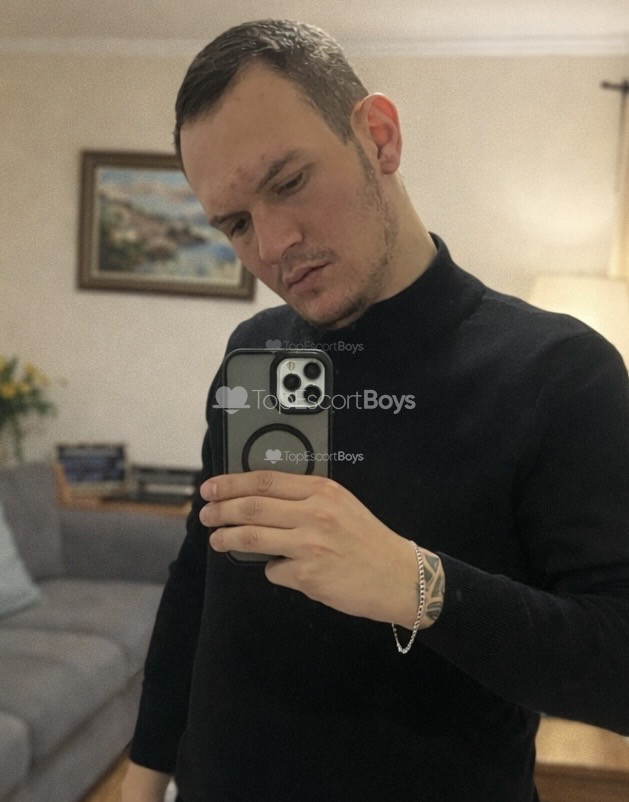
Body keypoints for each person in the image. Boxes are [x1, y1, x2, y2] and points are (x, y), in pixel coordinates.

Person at [122, 19, 629, 802]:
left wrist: (417, 585)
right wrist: (144, 774)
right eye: (235, 224)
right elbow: (201, 576)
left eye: (289, 182)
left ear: (379, 138)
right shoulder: (257, 351)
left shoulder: (559, 373)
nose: (272, 244)